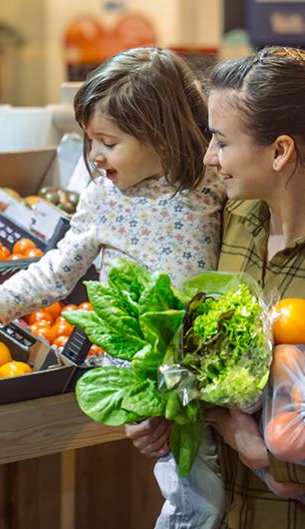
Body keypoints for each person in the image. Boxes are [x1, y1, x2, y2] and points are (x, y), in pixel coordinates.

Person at [0, 47, 226, 529]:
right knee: (194, 488)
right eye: (89, 140)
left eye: (107, 142)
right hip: (144, 362)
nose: (94, 155)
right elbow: (57, 270)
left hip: (204, 356)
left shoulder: (211, 182)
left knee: (214, 476)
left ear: (161, 135)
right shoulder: (103, 200)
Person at [126, 46, 305, 529]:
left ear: (281, 150)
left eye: (221, 142)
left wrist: (264, 452)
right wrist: (166, 409)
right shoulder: (233, 218)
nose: (209, 157)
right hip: (232, 511)